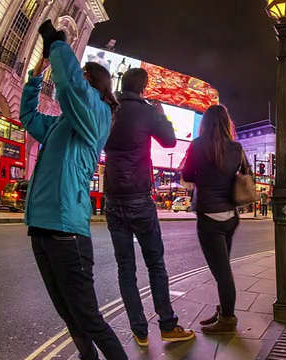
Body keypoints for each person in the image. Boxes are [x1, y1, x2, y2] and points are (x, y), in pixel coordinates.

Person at [20, 21, 127, 360]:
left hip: (67, 230)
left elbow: (71, 87)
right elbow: (27, 116)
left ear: (92, 83)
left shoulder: (96, 114)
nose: (76, 77)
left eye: (83, 74)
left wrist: (57, 44)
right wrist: (37, 76)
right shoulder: (59, 124)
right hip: (40, 228)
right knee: (70, 316)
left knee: (90, 319)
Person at [103, 68, 195, 346]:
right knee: (155, 264)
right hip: (139, 197)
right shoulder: (145, 111)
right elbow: (168, 140)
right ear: (143, 88)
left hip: (112, 197)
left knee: (125, 267)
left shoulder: (109, 110)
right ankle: (167, 324)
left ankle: (139, 330)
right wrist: (160, 112)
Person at [181, 104, 245, 334]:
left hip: (209, 217)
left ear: (204, 123)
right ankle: (223, 310)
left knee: (222, 273)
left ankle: (228, 319)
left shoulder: (197, 146)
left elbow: (187, 175)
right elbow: (244, 173)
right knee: (223, 269)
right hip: (230, 216)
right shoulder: (236, 148)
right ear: (227, 123)